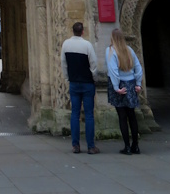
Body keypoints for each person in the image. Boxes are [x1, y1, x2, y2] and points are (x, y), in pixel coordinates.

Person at [61, 21, 99, 154]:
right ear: (82, 31)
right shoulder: (87, 45)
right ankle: (90, 146)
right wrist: (94, 78)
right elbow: (93, 64)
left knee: (75, 114)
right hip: (87, 83)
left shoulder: (66, 44)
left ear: (73, 31)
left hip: (74, 83)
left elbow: (63, 64)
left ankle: (75, 145)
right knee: (89, 115)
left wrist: (67, 77)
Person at [106, 28, 143, 155]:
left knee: (122, 117)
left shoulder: (111, 51)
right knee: (132, 116)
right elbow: (138, 67)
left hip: (120, 85)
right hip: (131, 83)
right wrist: (138, 83)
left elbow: (113, 71)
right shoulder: (129, 50)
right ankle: (136, 146)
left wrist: (116, 87)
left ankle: (127, 147)